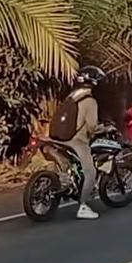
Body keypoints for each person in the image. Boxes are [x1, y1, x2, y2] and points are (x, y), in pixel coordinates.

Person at [49, 65, 106, 220]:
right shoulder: (90, 101)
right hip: (76, 141)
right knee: (90, 173)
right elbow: (92, 126)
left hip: (57, 138)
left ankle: (67, 182)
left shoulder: (72, 96)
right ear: (93, 82)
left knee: (69, 166)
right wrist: (100, 129)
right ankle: (83, 206)